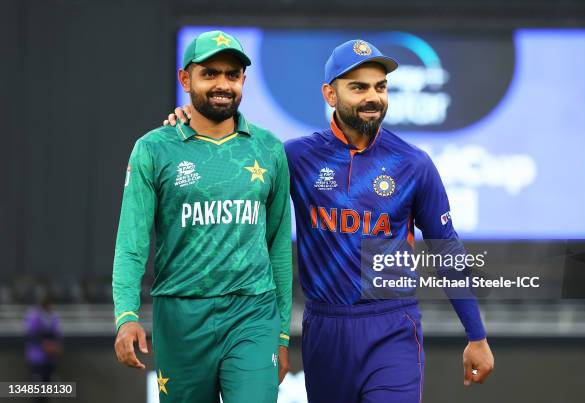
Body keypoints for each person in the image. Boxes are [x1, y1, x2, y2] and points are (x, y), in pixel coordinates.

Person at [167, 39, 494, 403]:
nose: (373, 97)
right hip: (325, 330)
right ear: (330, 94)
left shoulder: (413, 163)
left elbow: (446, 248)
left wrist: (476, 335)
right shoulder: (295, 156)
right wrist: (189, 122)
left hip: (392, 327)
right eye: (358, 87)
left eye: (380, 87)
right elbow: (232, 154)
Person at [113, 30, 292, 403]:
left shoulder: (269, 148)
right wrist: (126, 314)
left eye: (232, 74)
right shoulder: (153, 149)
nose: (222, 84)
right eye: (209, 73)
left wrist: (282, 336)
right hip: (180, 316)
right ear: (185, 79)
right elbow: (132, 241)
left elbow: (278, 245)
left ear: (243, 79)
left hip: (252, 312)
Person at [24, 293, 63, 383]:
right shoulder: (33, 315)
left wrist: (57, 345)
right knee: (37, 378)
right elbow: (30, 331)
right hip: (37, 353)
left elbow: (57, 333)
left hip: (50, 353)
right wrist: (43, 340)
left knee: (48, 378)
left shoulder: (54, 316)